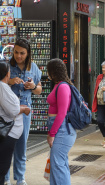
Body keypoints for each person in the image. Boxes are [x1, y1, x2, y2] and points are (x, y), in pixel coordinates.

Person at [5, 38, 42, 185]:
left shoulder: (33, 68)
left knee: (21, 145)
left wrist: (33, 86)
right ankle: (5, 177)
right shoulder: (6, 65)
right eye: (16, 52)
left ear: (28, 53)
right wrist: (10, 81)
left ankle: (20, 178)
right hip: (7, 111)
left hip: (25, 111)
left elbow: (39, 91)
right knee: (6, 145)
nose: (18, 56)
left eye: (22, 53)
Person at [46, 59, 77, 185]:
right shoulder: (59, 85)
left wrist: (52, 134)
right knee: (58, 164)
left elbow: (62, 113)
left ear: (53, 72)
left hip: (62, 130)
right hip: (60, 129)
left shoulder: (63, 87)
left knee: (58, 165)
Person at [0, 61, 30, 185]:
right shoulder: (2, 87)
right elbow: (13, 111)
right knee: (3, 166)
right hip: (7, 134)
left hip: (10, 134)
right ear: (7, 74)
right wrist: (23, 109)